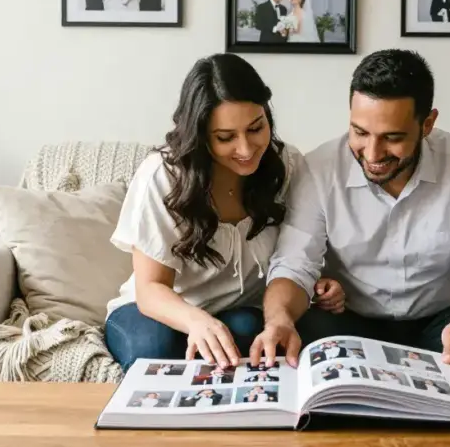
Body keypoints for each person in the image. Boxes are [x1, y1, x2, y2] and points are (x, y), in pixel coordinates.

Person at [250, 49, 450, 385]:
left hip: (444, 320)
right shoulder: (318, 169)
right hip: (351, 319)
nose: (372, 153)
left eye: (392, 138)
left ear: (427, 124)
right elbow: (294, 264)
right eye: (360, 132)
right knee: (290, 337)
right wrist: (278, 320)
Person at [103, 53, 345, 372]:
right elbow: (150, 291)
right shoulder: (163, 177)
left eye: (256, 128)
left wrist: (323, 283)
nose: (246, 149)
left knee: (250, 333)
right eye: (226, 137)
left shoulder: (287, 167)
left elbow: (298, 254)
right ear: (201, 135)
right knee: (155, 348)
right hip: (159, 312)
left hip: (240, 311)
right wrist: (196, 321)